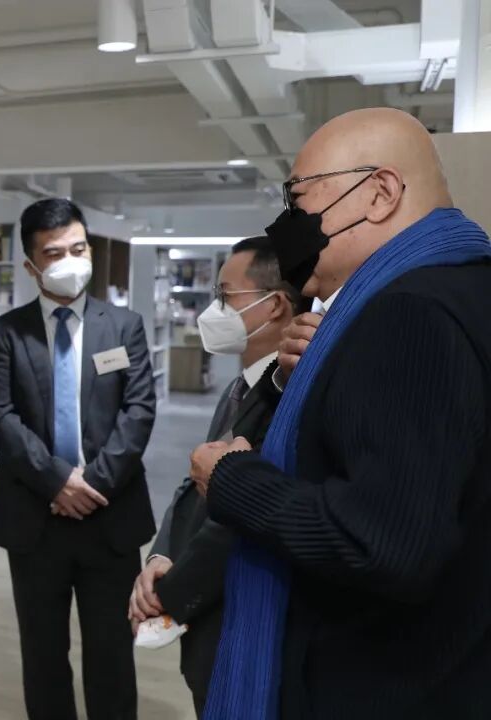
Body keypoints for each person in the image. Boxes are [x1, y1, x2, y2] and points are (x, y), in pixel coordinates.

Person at [192, 107, 491, 720]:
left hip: (384, 680)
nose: (289, 227)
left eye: (300, 200)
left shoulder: (408, 314)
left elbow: (380, 542)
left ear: (380, 193)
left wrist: (232, 480)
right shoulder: (464, 289)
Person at [0, 198, 156, 720]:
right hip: (34, 519)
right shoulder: (6, 333)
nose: (70, 261)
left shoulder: (124, 326)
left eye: (78, 249)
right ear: (31, 265)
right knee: (42, 654)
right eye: (54, 254)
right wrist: (58, 482)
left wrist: (90, 485)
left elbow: (139, 411)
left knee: (112, 652)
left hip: (110, 515)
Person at [130, 237, 299, 718]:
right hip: (207, 631)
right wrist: (162, 554)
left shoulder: (285, 398)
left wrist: (167, 596)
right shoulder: (238, 386)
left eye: (226, 295)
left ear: (275, 305)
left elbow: (235, 519)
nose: (215, 309)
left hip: (237, 625)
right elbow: (194, 486)